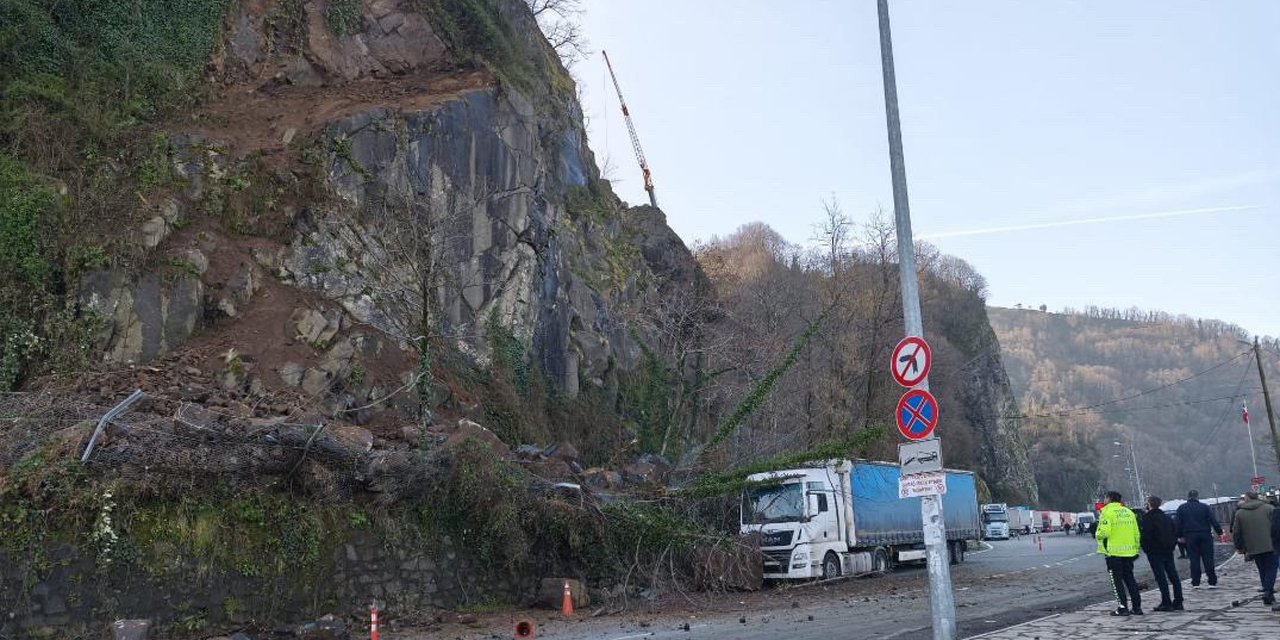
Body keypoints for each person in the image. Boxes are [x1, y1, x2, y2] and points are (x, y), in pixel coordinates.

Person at [1097, 490, 1143, 616]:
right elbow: (1136, 533)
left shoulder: (1106, 512)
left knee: (1116, 581)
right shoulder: (1129, 512)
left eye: (1105, 498)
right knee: (1130, 579)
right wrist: (1135, 548)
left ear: (1109, 498)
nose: (1104, 500)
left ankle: (1122, 607)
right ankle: (1137, 607)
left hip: (1113, 552)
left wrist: (1098, 534)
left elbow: (1105, 532)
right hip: (1129, 552)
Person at [1232, 491, 1277, 605]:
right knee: (1271, 568)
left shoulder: (1240, 513)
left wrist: (1239, 546)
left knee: (1262, 569)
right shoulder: (1269, 509)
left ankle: (1268, 592)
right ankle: (1268, 591)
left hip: (1253, 545)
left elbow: (1236, 532)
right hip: (1271, 544)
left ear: (1247, 499)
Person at [1140, 496, 1184, 611]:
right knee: (1173, 575)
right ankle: (1178, 601)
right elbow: (1174, 532)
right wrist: (1172, 545)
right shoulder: (1167, 517)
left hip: (1155, 551)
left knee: (1161, 577)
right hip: (1168, 550)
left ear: (1149, 504)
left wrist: (1146, 549)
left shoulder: (1147, 518)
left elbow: (1146, 536)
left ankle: (1166, 601)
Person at [1176, 489, 1223, 587]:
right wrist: (1219, 531)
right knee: (1208, 559)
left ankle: (1196, 582)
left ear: (1188, 497)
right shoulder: (1205, 507)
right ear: (1198, 497)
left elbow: (1178, 523)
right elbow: (1212, 520)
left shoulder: (1181, 508)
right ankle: (1212, 581)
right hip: (1205, 534)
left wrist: (1180, 536)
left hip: (1190, 536)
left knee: (1194, 559)